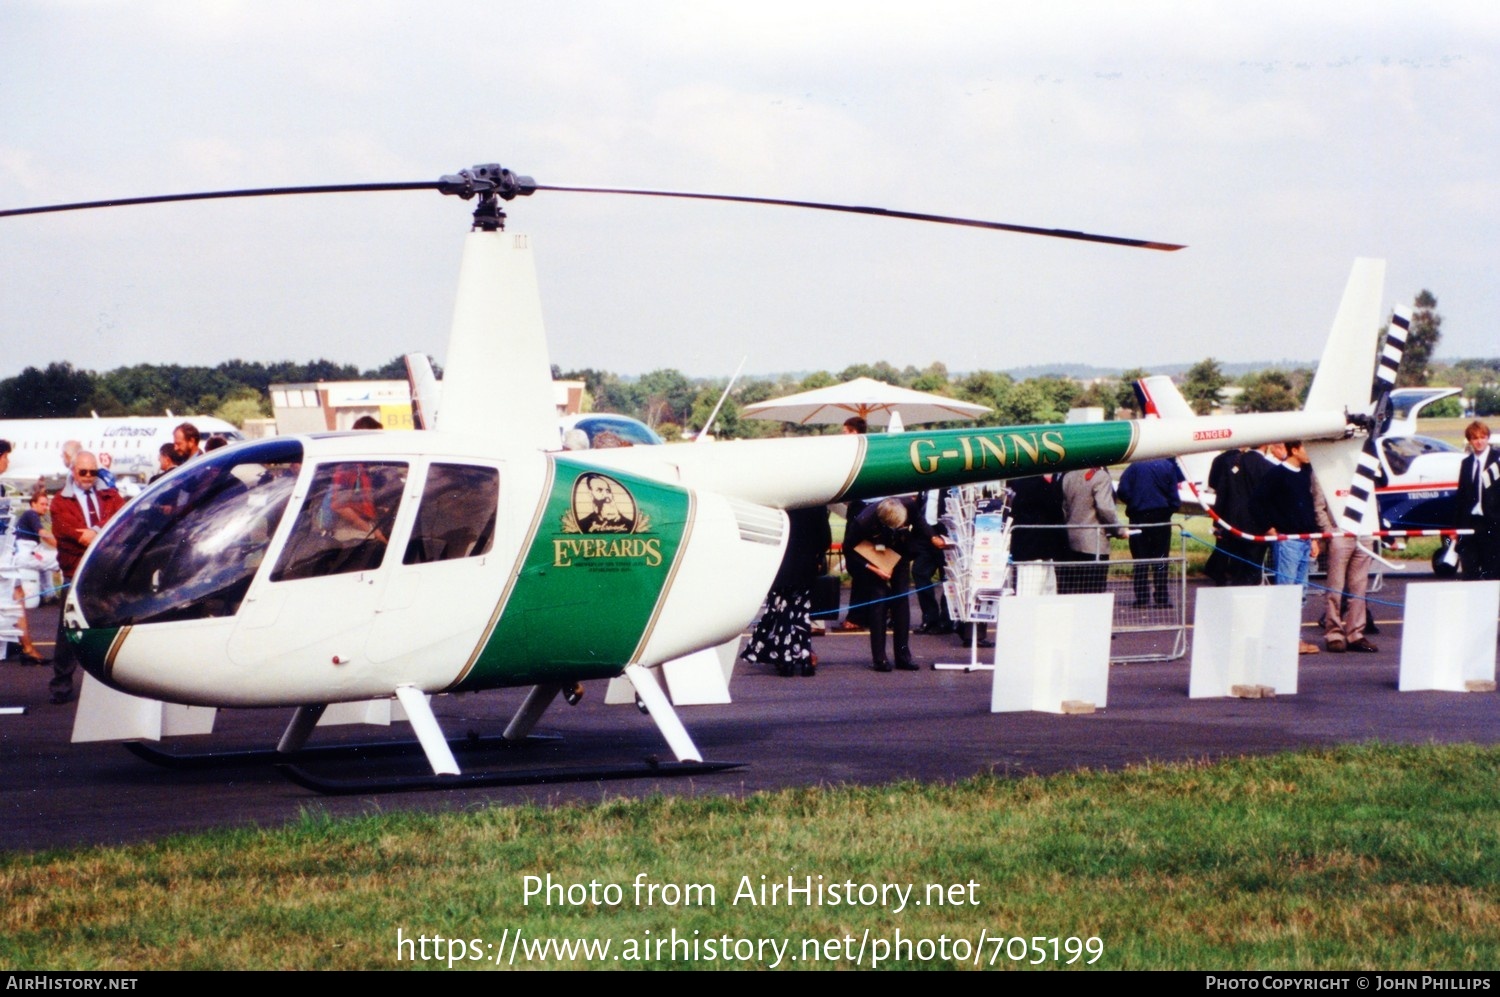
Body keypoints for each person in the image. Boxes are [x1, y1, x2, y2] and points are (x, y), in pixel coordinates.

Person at [48, 451, 125, 703]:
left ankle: (117, 683)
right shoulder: (60, 502)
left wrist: (96, 533)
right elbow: (69, 534)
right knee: (69, 631)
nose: (89, 477)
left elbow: (122, 521)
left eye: (93, 472)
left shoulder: (110, 495)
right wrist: (103, 534)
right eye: (84, 472)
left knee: (112, 626)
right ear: (73, 472)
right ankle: (61, 684)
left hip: (106, 571)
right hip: (76, 574)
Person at [844, 496, 942, 671]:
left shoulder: (909, 505)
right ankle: (879, 659)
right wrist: (874, 569)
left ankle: (903, 656)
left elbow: (920, 523)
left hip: (900, 551)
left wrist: (933, 537)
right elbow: (849, 550)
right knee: (879, 601)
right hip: (875, 552)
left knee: (901, 601)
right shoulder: (863, 521)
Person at [741, 506, 832, 677]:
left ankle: (785, 659)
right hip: (805, 567)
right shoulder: (816, 505)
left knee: (782, 614)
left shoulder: (778, 504)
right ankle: (805, 660)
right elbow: (825, 540)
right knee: (801, 615)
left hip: (780, 566)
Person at [1254, 440, 1320, 655]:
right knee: (1286, 591)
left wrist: (1314, 538)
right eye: (1305, 448)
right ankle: (1281, 638)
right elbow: (1256, 501)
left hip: (1305, 539)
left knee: (1300, 592)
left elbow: (1308, 507)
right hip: (1287, 541)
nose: (1309, 453)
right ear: (1294, 449)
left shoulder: (1305, 473)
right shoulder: (1276, 475)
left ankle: (1294, 638)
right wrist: (1269, 528)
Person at [1313, 469, 1376, 653]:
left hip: (1364, 532)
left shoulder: (1365, 467)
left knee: (1359, 588)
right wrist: (1330, 532)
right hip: (1340, 534)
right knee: (1335, 587)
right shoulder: (1324, 470)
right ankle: (1334, 633)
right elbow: (1319, 505)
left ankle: (1355, 633)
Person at [1115, 457, 1184, 607]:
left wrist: (1133, 503)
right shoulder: (1167, 466)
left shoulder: (1134, 467)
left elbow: (1122, 490)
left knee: (1140, 560)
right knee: (1160, 559)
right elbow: (1174, 496)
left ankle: (1142, 598)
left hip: (1139, 516)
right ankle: (1161, 597)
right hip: (1161, 516)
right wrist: (1168, 510)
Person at [1059, 467, 1126, 595]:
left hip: (1072, 539)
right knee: (1094, 592)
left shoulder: (1068, 476)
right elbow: (1106, 508)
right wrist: (1119, 530)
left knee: (1075, 591)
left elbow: (1065, 508)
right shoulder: (1101, 476)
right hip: (1093, 543)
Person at [837, 416, 872, 632]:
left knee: (857, 561)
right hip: (858, 510)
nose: (844, 435)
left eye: (846, 431)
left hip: (861, 512)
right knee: (859, 564)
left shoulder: (859, 456)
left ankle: (857, 616)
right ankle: (863, 613)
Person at [1456, 421, 1500, 581]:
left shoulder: (1498, 460)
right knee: (1469, 571)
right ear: (1470, 441)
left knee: (1493, 571)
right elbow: (1461, 497)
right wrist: (1458, 528)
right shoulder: (1466, 463)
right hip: (1471, 524)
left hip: (1493, 524)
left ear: (1488, 438)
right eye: (1475, 438)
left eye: (1483, 437)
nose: (1479, 441)